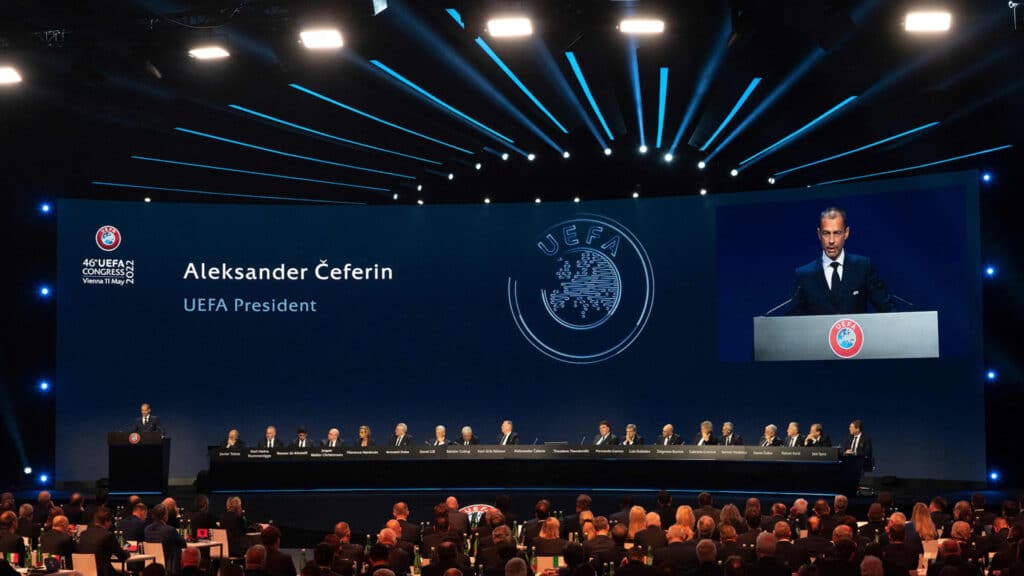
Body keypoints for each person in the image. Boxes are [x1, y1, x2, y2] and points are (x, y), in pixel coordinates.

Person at [787, 207, 894, 316]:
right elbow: (792, 318)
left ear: (846, 233)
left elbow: (887, 309)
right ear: (819, 234)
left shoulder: (863, 267)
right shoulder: (804, 275)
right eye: (826, 233)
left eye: (837, 233)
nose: (831, 241)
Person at [76, 507, 129, 576]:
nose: (111, 524)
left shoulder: (83, 534)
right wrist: (127, 552)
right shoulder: (108, 535)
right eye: (110, 522)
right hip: (102, 572)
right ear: (106, 521)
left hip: (84, 572)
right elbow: (122, 556)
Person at [145, 503, 187, 575]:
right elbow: (183, 544)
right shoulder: (170, 530)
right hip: (168, 564)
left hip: (151, 563)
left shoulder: (147, 529)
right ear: (165, 516)